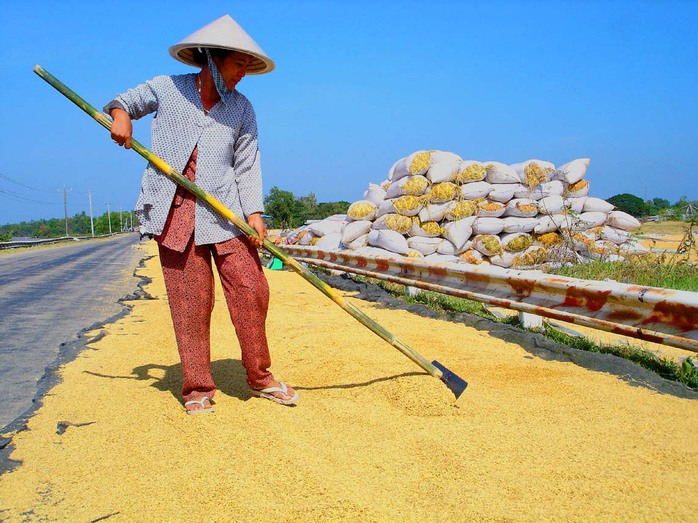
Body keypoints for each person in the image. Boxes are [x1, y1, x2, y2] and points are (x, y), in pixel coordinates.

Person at [106, 14, 298, 413]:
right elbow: (125, 102)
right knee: (191, 301)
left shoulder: (242, 108)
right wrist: (120, 117)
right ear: (213, 59)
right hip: (174, 215)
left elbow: (247, 164)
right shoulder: (168, 89)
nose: (243, 74)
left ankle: (260, 376)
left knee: (252, 289)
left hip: (226, 214)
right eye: (237, 65)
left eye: (247, 66)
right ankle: (197, 387)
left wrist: (256, 215)